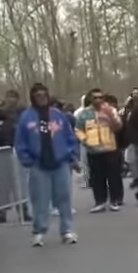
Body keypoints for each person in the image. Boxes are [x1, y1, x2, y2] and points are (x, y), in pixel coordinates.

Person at [15, 82, 80, 245]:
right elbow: (20, 141)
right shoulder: (26, 117)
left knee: (64, 197)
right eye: (38, 95)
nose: (41, 98)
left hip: (60, 163)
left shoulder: (58, 115)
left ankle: (67, 230)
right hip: (38, 165)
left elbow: (69, 137)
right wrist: (27, 159)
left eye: (44, 95)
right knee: (40, 199)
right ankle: (39, 231)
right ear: (33, 97)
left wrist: (72, 156)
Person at [75, 91, 125, 211]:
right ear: (91, 99)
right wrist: (85, 140)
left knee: (113, 176)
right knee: (97, 178)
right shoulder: (84, 114)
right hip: (93, 150)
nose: (98, 100)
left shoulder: (110, 110)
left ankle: (114, 200)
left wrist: (111, 118)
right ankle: (100, 201)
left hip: (110, 148)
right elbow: (78, 130)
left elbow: (119, 127)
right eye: (95, 98)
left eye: (100, 97)